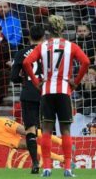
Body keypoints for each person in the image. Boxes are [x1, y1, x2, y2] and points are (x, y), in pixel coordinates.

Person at [23, 15, 90, 177]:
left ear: (48, 30)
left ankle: (47, 168)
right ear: (63, 29)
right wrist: (76, 81)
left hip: (47, 91)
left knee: (46, 130)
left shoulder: (43, 46)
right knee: (65, 130)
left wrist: (36, 81)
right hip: (64, 91)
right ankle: (67, 168)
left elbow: (26, 63)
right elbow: (86, 62)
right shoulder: (71, 46)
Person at [11, 25, 45, 174]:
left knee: (30, 129)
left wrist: (25, 80)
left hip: (29, 93)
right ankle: (52, 162)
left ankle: (35, 162)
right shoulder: (50, 52)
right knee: (48, 127)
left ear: (29, 36)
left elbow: (13, 77)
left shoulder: (21, 53)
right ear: (44, 37)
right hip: (47, 93)